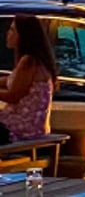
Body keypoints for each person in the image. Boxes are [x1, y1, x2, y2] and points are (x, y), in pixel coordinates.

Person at [0, 15, 58, 143]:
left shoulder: (29, 62)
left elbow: (13, 96)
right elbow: (8, 80)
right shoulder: (33, 62)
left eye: (12, 30)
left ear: (23, 36)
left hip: (22, 128)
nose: (7, 33)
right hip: (28, 126)